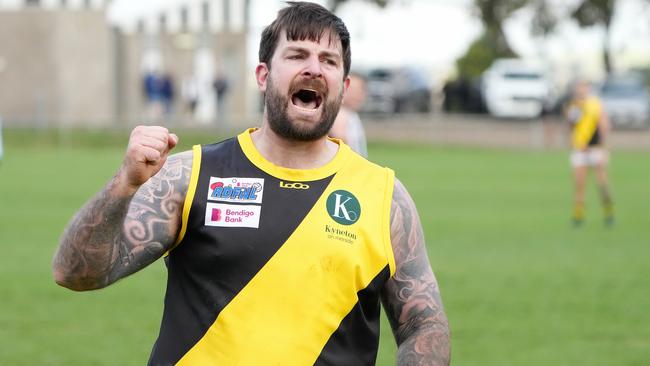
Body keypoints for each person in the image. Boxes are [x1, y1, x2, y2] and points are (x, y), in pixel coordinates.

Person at [52, 2, 450, 365]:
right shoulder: (189, 177)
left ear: (343, 87)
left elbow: (424, 326)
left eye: (329, 60)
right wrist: (123, 184)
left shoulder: (384, 198)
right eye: (296, 55)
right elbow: (75, 273)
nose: (313, 68)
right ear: (263, 75)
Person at [565, 80, 614, 226]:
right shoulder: (573, 106)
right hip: (580, 149)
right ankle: (578, 216)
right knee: (579, 184)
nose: (581, 91)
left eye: (583, 88)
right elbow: (571, 127)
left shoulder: (595, 105)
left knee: (602, 183)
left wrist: (603, 147)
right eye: (578, 88)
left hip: (595, 149)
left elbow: (604, 125)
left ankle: (609, 213)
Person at [330, 71, 368, 157]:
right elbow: (339, 136)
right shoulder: (341, 113)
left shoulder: (351, 114)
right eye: (352, 90)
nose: (356, 94)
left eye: (361, 89)